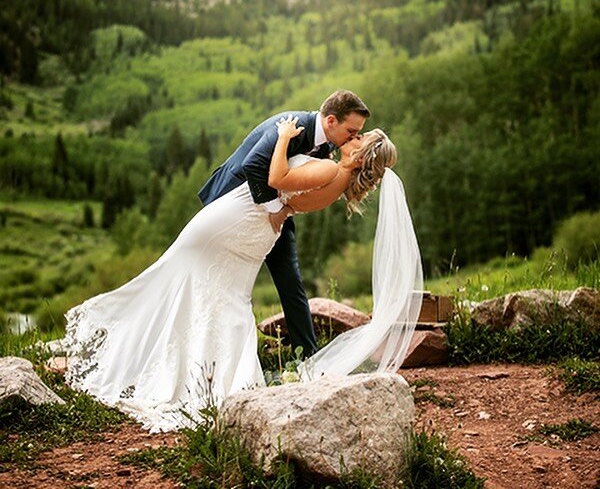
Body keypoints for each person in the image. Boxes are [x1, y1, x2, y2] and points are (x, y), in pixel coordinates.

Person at [64, 112, 422, 432]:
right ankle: (206, 372)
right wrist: (282, 205)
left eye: (359, 138)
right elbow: (290, 201)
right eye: (354, 132)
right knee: (219, 294)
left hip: (243, 221)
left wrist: (282, 137)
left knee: (205, 287)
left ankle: (175, 363)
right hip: (253, 226)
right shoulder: (337, 176)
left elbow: (278, 177)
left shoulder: (332, 169)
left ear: (360, 155)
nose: (353, 138)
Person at [198, 89, 371, 358]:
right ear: (331, 122)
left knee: (291, 282)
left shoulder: (329, 146)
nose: (354, 137)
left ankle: (307, 356)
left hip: (274, 216)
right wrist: (277, 209)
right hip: (235, 204)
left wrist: (284, 211)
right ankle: (212, 350)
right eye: (352, 131)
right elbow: (253, 165)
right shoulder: (291, 125)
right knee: (218, 279)